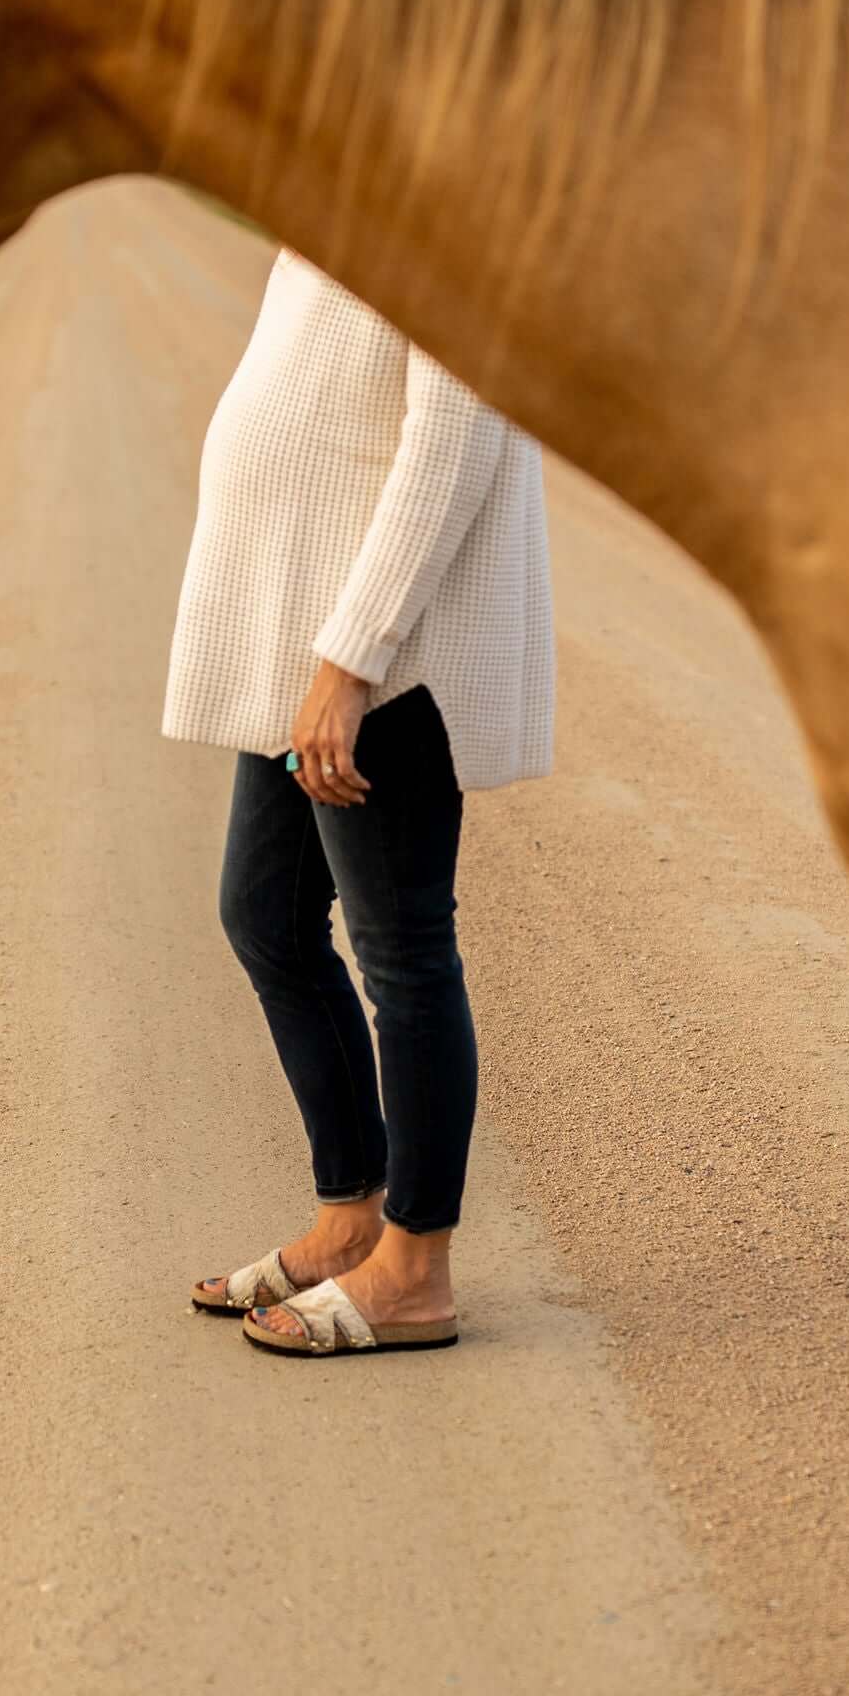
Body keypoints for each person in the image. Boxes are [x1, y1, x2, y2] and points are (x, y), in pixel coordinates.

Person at [163, 252, 554, 1356]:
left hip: (383, 661)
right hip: (312, 649)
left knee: (404, 954)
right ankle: (352, 1219)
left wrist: (353, 657)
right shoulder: (344, 188)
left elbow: (456, 441)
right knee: (268, 921)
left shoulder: (451, 186)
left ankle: (416, 1272)